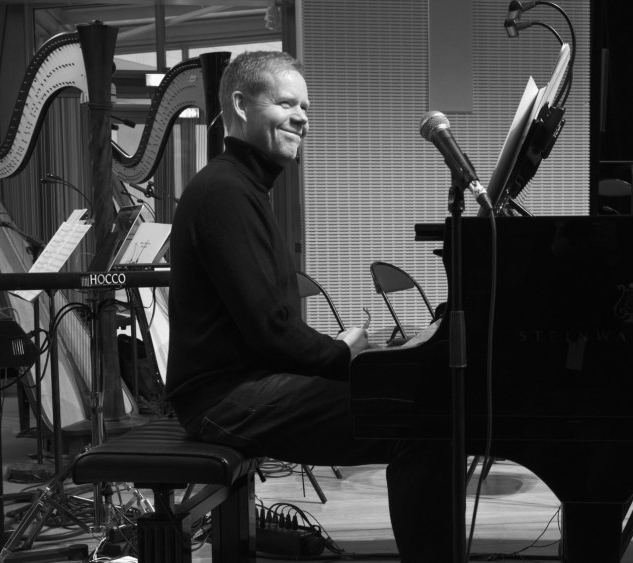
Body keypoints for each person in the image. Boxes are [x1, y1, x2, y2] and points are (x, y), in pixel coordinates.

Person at [165, 51, 452, 562]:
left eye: (305, 107)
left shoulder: (241, 187)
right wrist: (343, 355)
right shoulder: (224, 192)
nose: (302, 117)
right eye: (286, 103)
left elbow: (267, 327)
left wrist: (346, 355)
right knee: (418, 421)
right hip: (223, 399)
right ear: (240, 105)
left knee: (416, 410)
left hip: (241, 385)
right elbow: (271, 329)